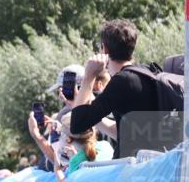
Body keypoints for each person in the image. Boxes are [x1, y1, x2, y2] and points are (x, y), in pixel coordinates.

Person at [71, 19, 183, 157]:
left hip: (132, 167)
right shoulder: (148, 72)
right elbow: (125, 133)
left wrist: (89, 76)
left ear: (105, 49)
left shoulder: (122, 81)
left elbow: (77, 125)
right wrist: (90, 109)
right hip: (152, 164)